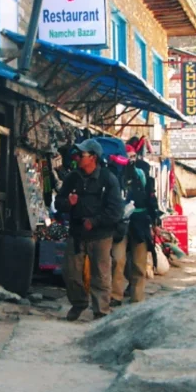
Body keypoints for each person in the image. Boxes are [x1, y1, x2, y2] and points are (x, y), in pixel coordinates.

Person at [55, 139, 124, 321]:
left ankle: (101, 311)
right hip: (77, 233)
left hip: (101, 235)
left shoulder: (108, 179)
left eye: (81, 155)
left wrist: (95, 221)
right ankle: (79, 303)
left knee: (100, 274)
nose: (77, 158)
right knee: (71, 272)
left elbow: (116, 210)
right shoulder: (72, 178)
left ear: (93, 157)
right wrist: (67, 204)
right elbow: (58, 202)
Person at [110, 136, 159, 306]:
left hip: (140, 222)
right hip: (120, 222)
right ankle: (115, 296)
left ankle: (137, 298)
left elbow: (151, 199)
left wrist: (155, 222)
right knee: (117, 259)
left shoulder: (143, 171)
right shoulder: (114, 171)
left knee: (139, 263)